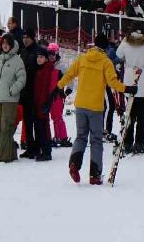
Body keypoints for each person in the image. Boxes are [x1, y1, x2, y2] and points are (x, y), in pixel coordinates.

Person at [57, 34, 135, 184]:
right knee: (96, 140)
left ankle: (74, 163)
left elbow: (69, 74)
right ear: (106, 47)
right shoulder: (106, 62)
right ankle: (95, 175)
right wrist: (127, 88)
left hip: (80, 105)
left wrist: (58, 86)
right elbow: (112, 83)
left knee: (81, 137)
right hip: (96, 107)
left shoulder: (82, 58)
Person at [116, 26, 144, 154]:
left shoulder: (126, 42)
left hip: (130, 78)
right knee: (141, 115)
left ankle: (128, 142)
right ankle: (139, 142)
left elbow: (119, 54)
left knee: (130, 114)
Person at [0, 34, 26, 162]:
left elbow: (22, 78)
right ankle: (10, 153)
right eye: (3, 43)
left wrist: (13, 90)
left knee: (7, 126)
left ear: (11, 45)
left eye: (7, 43)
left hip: (10, 99)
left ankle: (3, 155)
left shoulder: (17, 60)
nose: (5, 45)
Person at [18, 29, 40, 159]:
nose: (25, 39)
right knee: (27, 122)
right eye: (24, 37)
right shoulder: (23, 51)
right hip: (25, 91)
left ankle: (37, 147)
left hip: (35, 91)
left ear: (32, 38)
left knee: (36, 121)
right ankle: (30, 147)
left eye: (27, 37)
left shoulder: (37, 51)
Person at [33, 46, 57, 161]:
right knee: (40, 126)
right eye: (38, 57)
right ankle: (43, 149)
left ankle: (46, 151)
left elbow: (48, 88)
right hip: (39, 103)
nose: (39, 59)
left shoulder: (47, 70)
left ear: (46, 59)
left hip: (43, 103)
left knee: (43, 127)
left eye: (41, 57)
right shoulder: (41, 69)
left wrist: (46, 102)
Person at [47, 43, 70, 147]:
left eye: (53, 54)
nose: (51, 56)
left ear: (57, 53)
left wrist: (68, 90)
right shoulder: (47, 64)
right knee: (46, 117)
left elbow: (70, 78)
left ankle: (62, 136)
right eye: (49, 54)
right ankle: (50, 137)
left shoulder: (61, 66)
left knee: (57, 117)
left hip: (57, 95)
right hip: (47, 95)